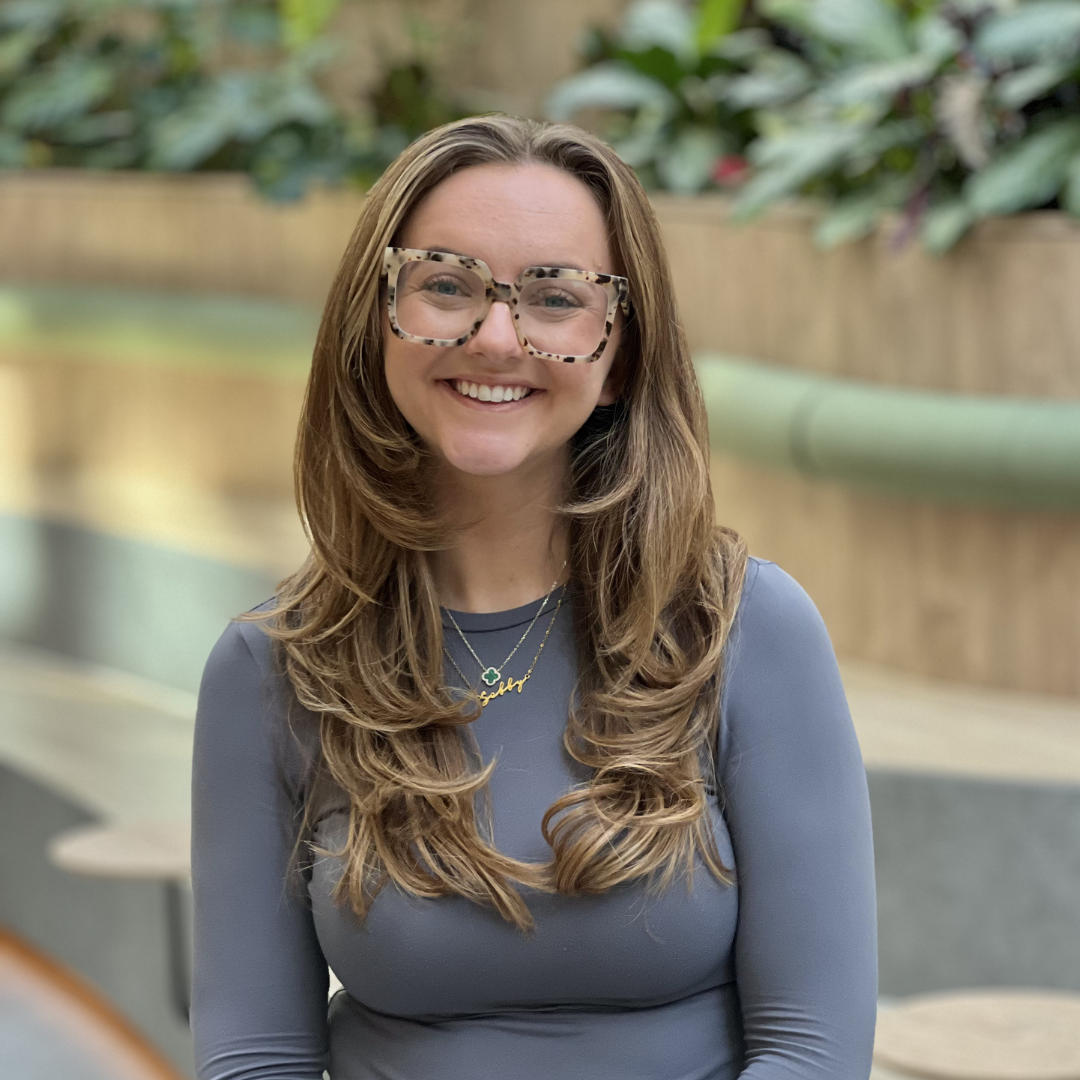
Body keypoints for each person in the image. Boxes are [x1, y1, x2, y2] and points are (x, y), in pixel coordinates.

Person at [191, 115, 877, 1080]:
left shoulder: (744, 629)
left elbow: (813, 1051)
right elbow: (255, 1057)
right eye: (445, 284)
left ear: (621, 354)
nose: (496, 335)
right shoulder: (273, 670)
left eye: (555, 297)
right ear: (375, 321)